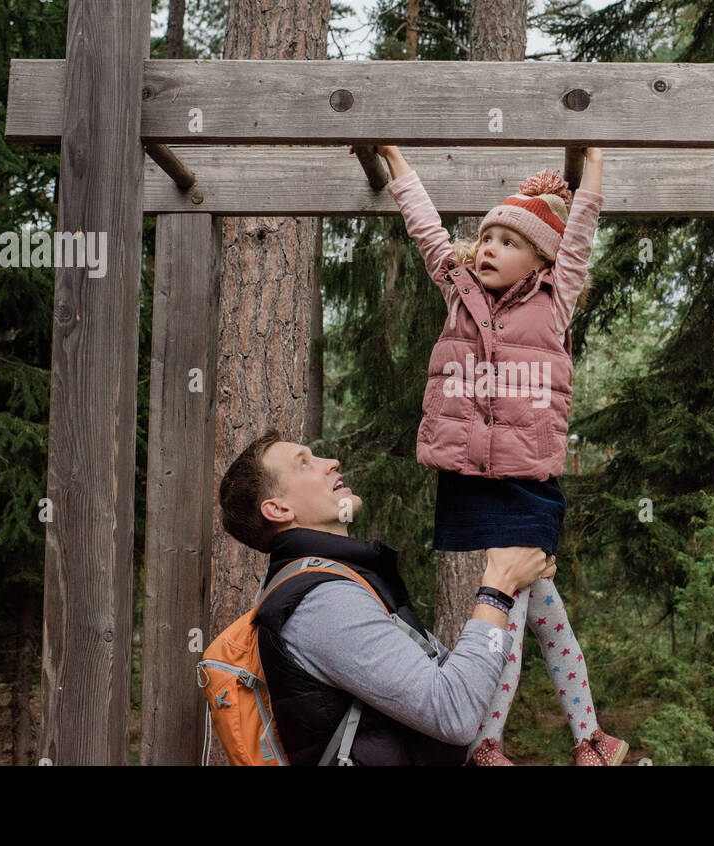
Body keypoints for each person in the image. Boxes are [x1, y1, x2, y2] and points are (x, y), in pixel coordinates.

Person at [370, 143, 627, 765]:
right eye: (486, 237)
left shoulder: (556, 300)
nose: (488, 248)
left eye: (509, 241)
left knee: (508, 610)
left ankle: (487, 742)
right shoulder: (459, 293)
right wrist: (397, 165)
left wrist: (592, 167)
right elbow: (428, 231)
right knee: (541, 608)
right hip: (468, 478)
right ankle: (588, 739)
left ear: (541, 257)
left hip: (527, 482)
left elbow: (583, 234)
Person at [217, 430, 554, 765]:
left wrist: (516, 582)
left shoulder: (335, 580)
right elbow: (455, 712)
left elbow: (465, 685)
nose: (331, 463)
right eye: (304, 464)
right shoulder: (322, 602)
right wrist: (499, 585)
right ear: (278, 509)